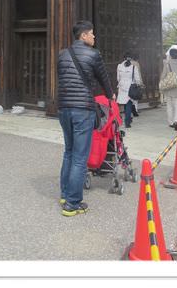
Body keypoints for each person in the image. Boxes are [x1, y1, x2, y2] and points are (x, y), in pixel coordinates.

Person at [57, 20, 114, 217]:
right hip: (82, 109)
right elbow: (103, 77)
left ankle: (65, 194)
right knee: (80, 158)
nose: (94, 37)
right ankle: (72, 204)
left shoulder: (62, 54)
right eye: (92, 34)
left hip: (64, 108)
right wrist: (110, 95)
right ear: (83, 36)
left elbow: (63, 78)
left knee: (69, 152)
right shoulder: (93, 54)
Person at [160, 48, 177, 131]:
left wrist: (162, 85)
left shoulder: (167, 64)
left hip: (169, 88)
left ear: (171, 55)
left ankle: (170, 122)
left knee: (169, 105)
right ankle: (176, 121)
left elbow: (163, 76)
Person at [116, 52, 142, 128]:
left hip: (121, 86)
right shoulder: (134, 67)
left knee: (125, 103)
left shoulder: (119, 66)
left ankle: (128, 119)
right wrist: (139, 84)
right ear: (131, 58)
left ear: (124, 58)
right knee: (129, 104)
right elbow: (137, 79)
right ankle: (127, 121)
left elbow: (118, 78)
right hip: (131, 87)